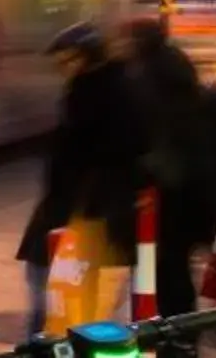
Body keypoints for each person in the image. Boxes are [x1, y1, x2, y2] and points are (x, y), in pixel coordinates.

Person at [19, 22, 149, 336]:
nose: (63, 69)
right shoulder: (109, 87)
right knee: (77, 289)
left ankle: (48, 345)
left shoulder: (93, 94)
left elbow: (82, 155)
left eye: (68, 60)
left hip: (85, 209)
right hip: (90, 207)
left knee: (50, 283)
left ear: (88, 58)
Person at [125, 16, 216, 315]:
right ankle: (176, 332)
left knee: (152, 270)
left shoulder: (146, 81)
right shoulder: (179, 74)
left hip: (158, 199)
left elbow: (144, 140)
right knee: (172, 269)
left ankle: (155, 328)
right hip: (186, 197)